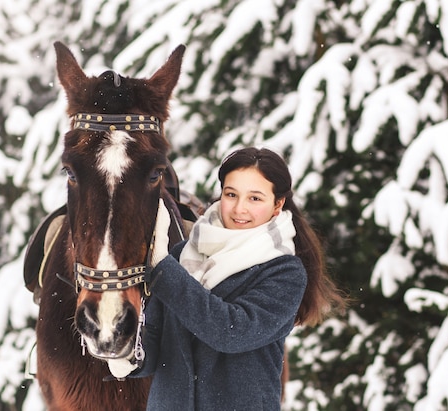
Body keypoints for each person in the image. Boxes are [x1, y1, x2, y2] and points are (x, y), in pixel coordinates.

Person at [108, 147, 346, 410]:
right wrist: (128, 353)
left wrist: (162, 269)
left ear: (277, 204)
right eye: (231, 194)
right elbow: (155, 341)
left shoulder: (284, 272)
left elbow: (230, 332)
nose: (239, 209)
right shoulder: (182, 256)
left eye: (255, 198)